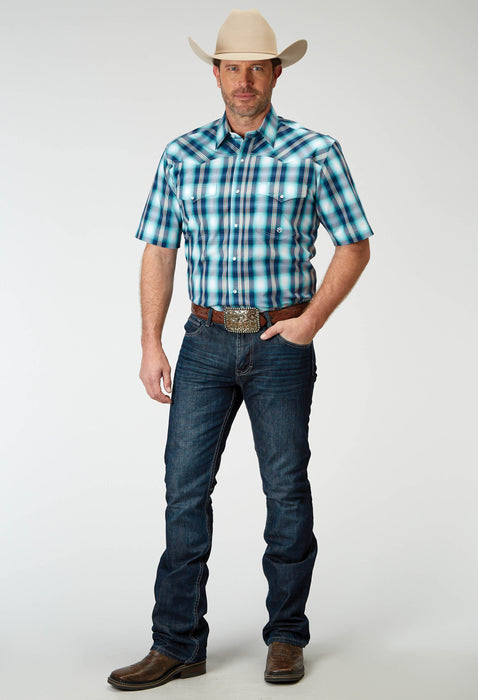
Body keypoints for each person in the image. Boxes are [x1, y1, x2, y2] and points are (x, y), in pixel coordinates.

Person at [108, 8, 373, 692]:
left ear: (277, 73)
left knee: (285, 489)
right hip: (202, 342)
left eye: (257, 67)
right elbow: (158, 250)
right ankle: (177, 644)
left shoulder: (315, 151)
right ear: (217, 74)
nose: (244, 80)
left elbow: (354, 244)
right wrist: (150, 343)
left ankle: (286, 637)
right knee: (183, 489)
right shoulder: (182, 154)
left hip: (280, 342)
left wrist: (310, 321)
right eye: (232, 67)